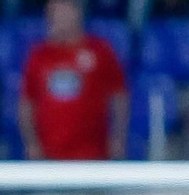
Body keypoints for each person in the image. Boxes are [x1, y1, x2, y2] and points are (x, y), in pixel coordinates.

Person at [19, 0, 127, 161]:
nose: (53, 19)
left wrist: (118, 137)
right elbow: (27, 103)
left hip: (92, 155)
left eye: (58, 12)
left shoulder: (100, 51)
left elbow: (119, 97)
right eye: (50, 14)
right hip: (49, 156)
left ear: (76, 13)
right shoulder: (39, 56)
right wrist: (31, 143)